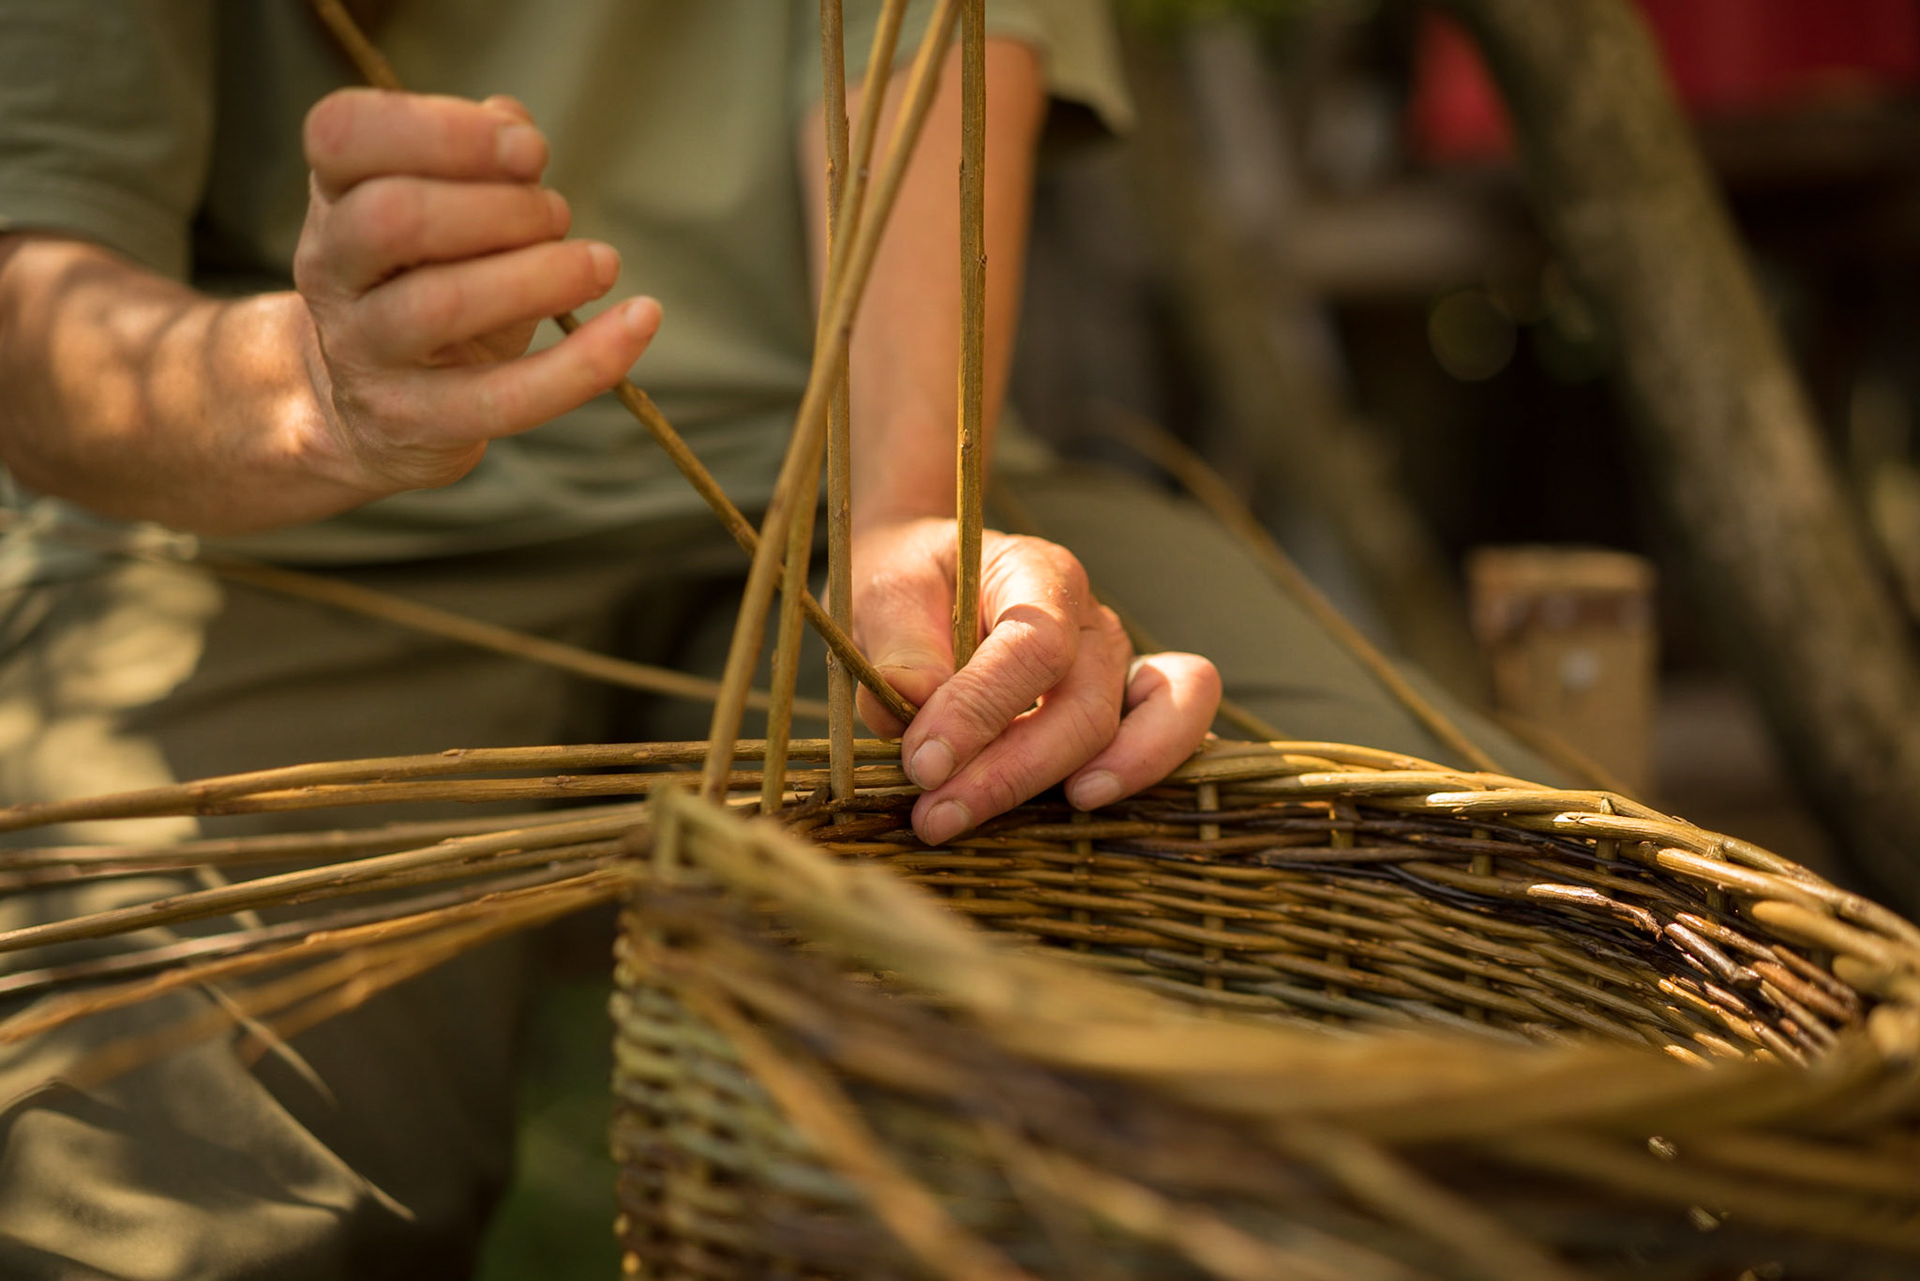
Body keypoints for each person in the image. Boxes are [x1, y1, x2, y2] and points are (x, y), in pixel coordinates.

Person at [0, 2, 1550, 1276]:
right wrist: (314, 390)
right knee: (158, 1225)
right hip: (257, 537)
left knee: (1497, 981)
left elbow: (933, 50)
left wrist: (908, 527)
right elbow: (41, 284)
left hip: (848, 483)